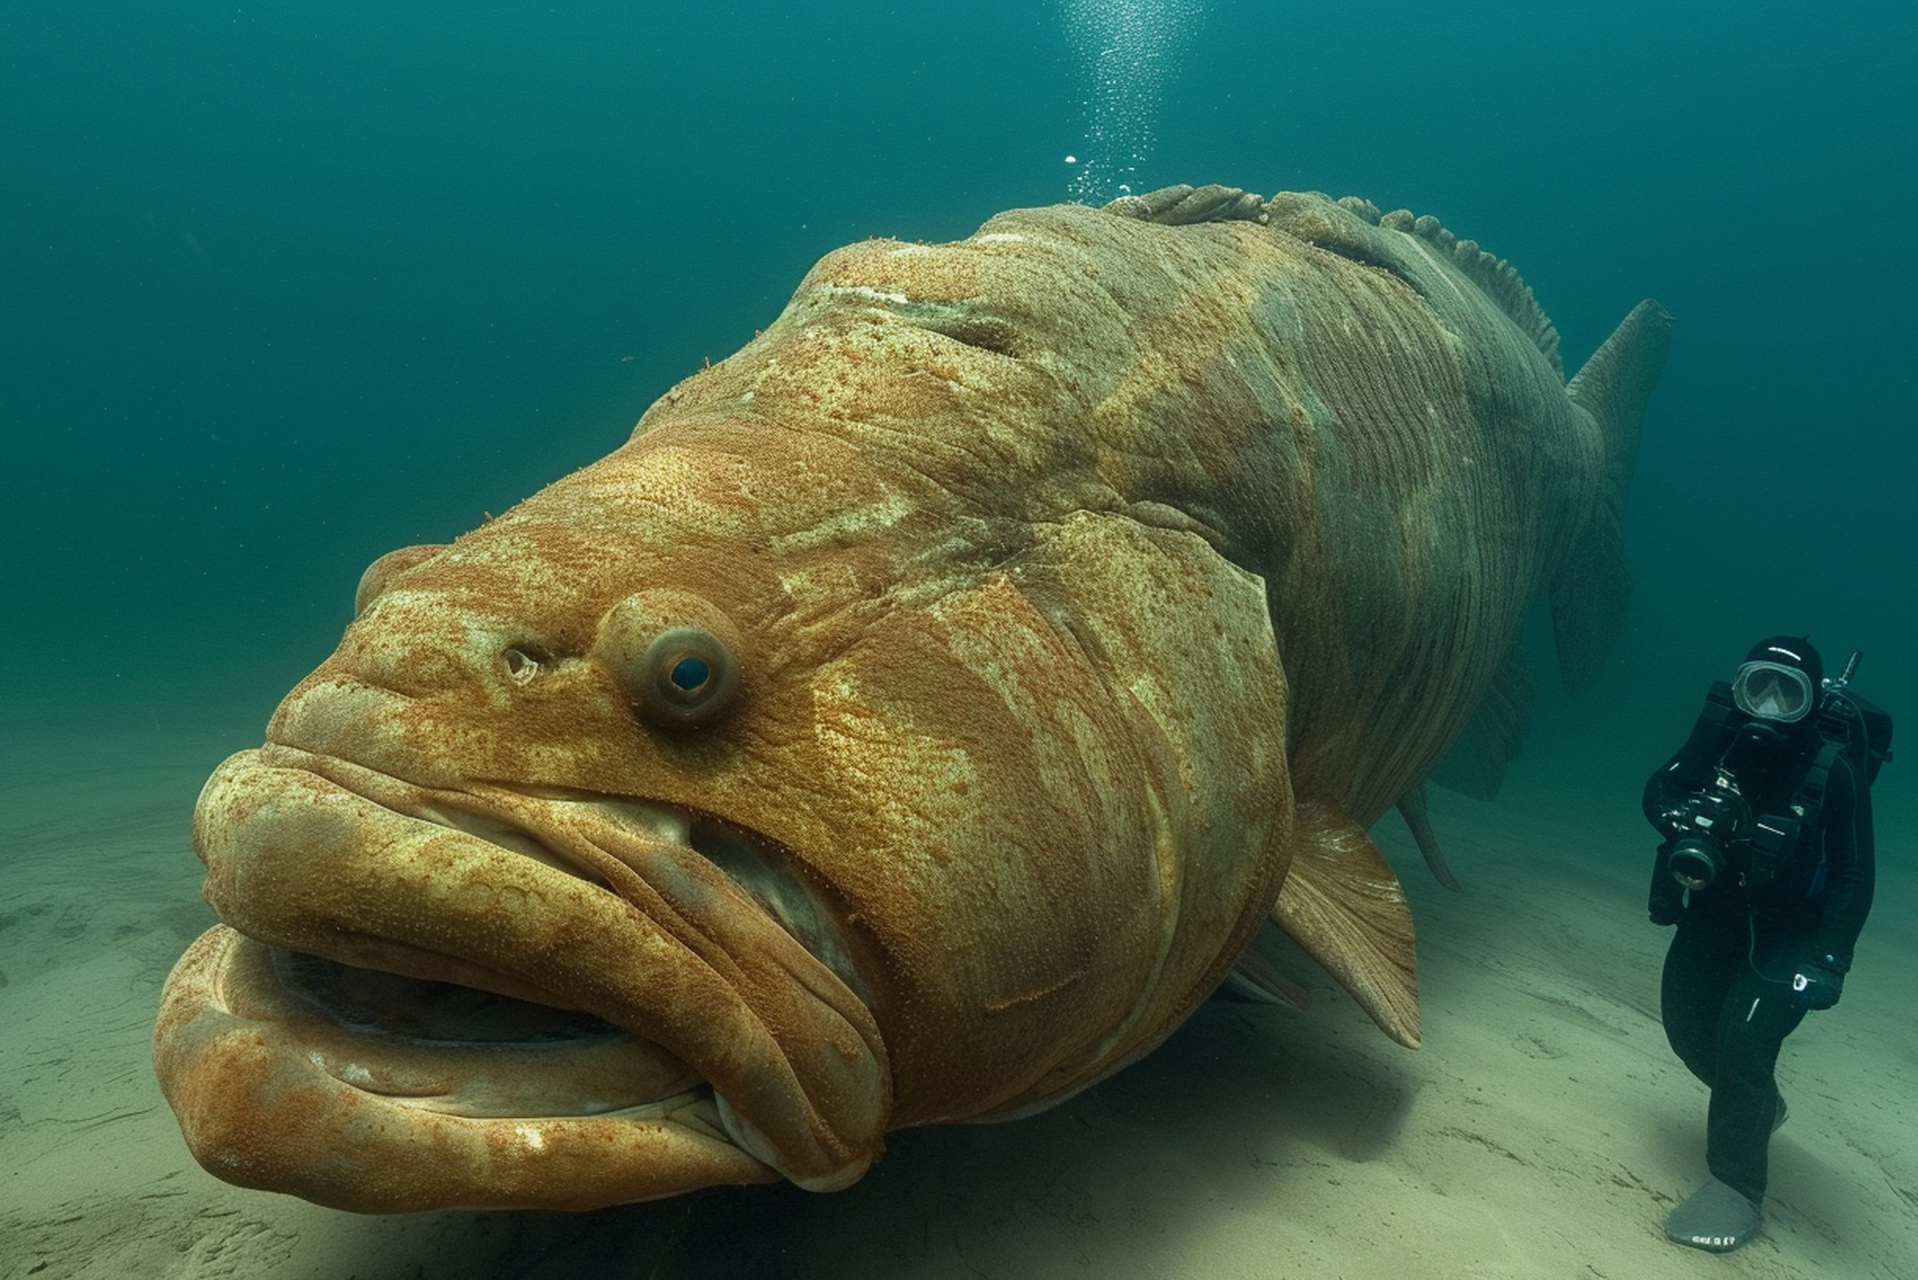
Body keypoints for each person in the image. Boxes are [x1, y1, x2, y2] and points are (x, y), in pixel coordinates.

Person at [1642, 635, 1888, 1252]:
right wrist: (1687, 819)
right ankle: (1758, 1108)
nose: (1771, 706)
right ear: (1741, 685)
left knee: (1744, 1037)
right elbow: (1659, 792)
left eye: (1790, 692)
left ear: (1810, 703)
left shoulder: (1837, 771)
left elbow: (1856, 876)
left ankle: (1735, 1186)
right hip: (1722, 910)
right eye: (1760, 686)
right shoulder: (1718, 737)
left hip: (1794, 934)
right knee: (1685, 1025)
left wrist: (1831, 958)